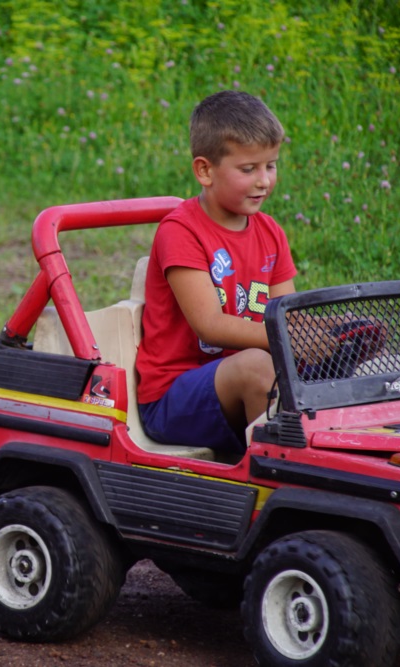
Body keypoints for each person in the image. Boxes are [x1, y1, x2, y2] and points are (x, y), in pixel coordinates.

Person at [135, 90, 297, 455]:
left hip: (235, 383)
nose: (264, 181)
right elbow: (209, 324)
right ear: (205, 170)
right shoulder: (181, 231)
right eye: (248, 169)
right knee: (258, 366)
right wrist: (290, 338)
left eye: (270, 165)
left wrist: (327, 338)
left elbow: (286, 313)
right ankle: (273, 483)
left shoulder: (270, 232)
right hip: (171, 398)